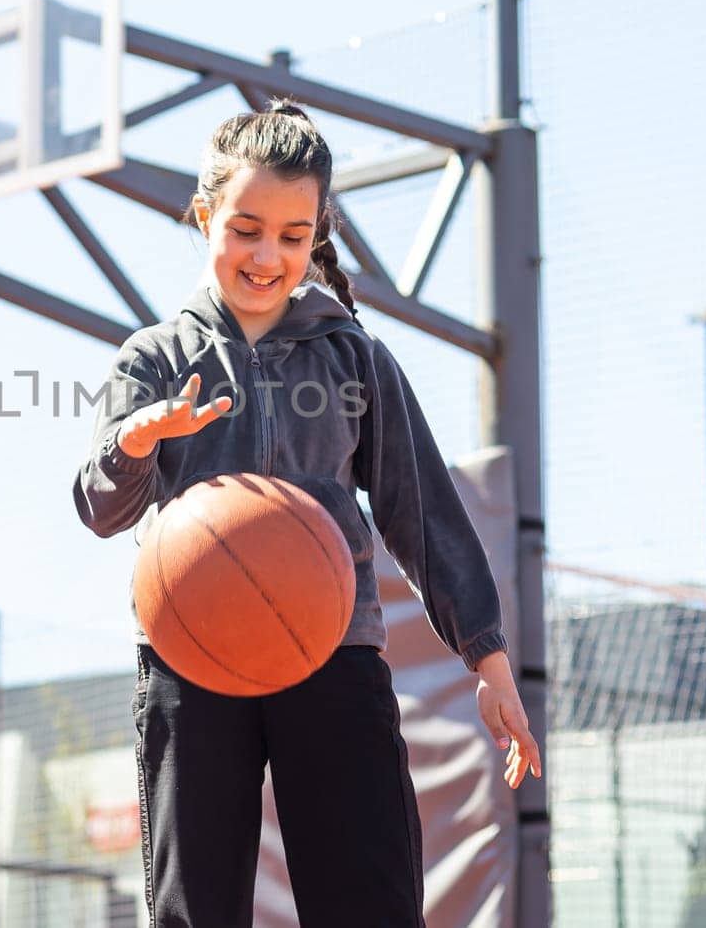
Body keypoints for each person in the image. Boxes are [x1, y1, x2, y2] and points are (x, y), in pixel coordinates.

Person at [71, 101, 540, 927]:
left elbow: (422, 506)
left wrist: (489, 659)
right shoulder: (153, 359)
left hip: (332, 650)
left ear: (316, 234)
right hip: (191, 656)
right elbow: (102, 509)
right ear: (206, 215)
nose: (267, 255)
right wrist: (136, 441)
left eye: (292, 236)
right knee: (195, 909)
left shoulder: (352, 354)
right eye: (247, 228)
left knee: (370, 901)